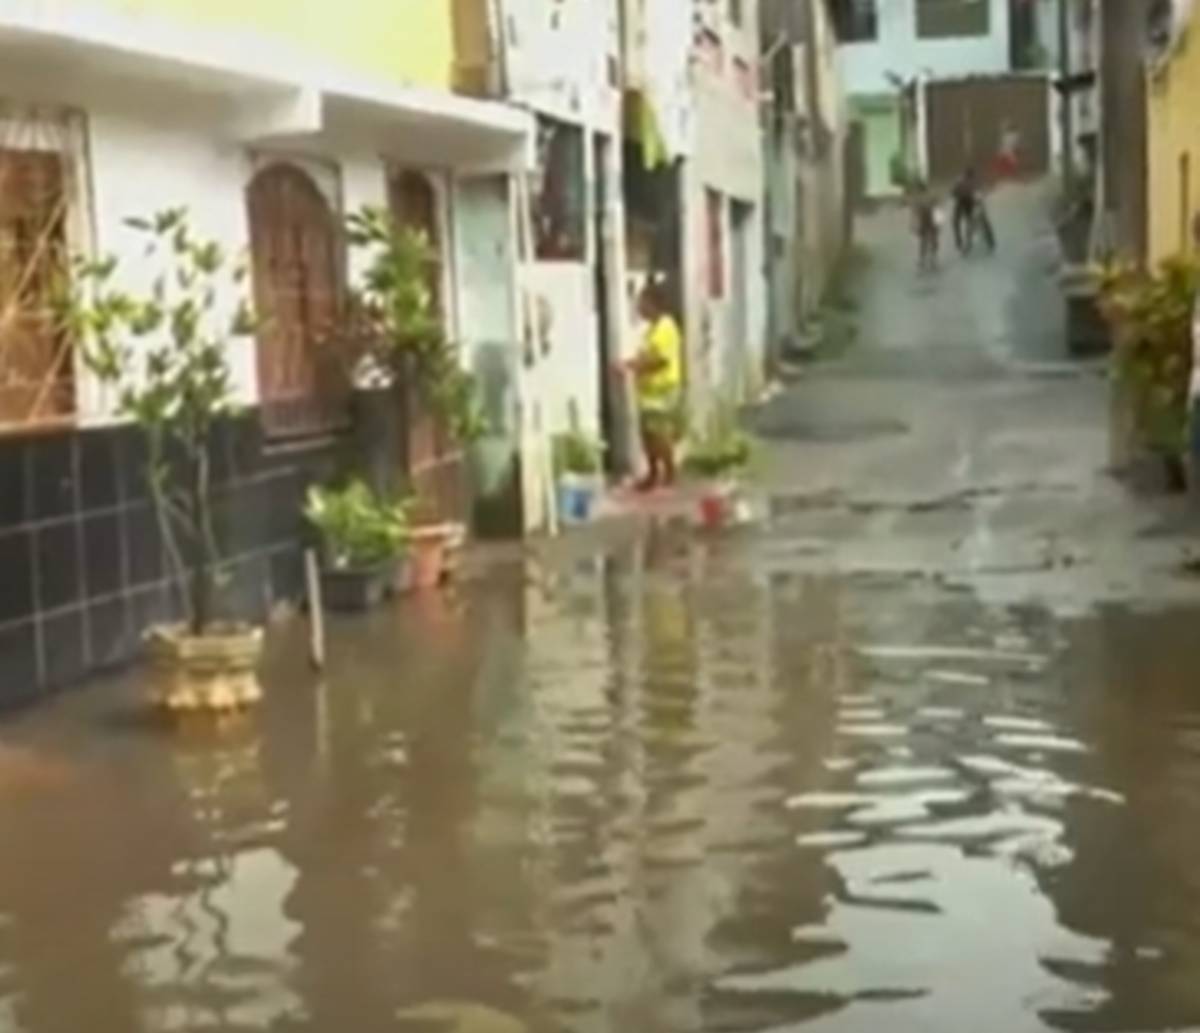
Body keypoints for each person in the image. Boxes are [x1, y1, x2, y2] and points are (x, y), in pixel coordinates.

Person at [621, 280, 683, 491]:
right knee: (648, 434)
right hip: (649, 390)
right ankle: (654, 473)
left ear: (654, 304)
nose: (639, 308)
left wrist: (632, 366)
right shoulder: (652, 329)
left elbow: (660, 360)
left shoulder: (666, 327)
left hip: (662, 389)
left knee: (658, 433)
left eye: (643, 303)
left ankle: (669, 472)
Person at [911, 181, 939, 271]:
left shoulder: (919, 198)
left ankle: (927, 259)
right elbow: (915, 212)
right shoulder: (920, 197)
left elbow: (915, 212)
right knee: (929, 240)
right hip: (927, 219)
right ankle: (929, 259)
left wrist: (914, 224)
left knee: (926, 241)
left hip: (927, 219)